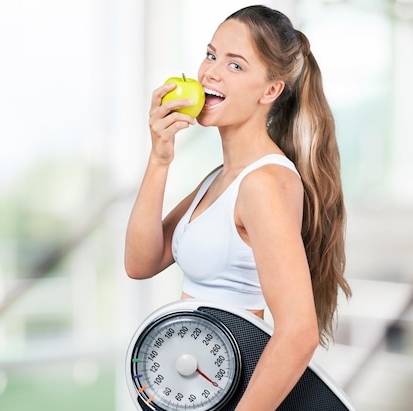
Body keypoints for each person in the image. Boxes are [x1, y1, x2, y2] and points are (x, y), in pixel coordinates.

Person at [124, 5, 352, 410]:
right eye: (211, 55)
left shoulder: (263, 184)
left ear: (270, 91)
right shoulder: (219, 178)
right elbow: (141, 262)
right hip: (197, 385)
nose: (210, 72)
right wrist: (159, 158)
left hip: (236, 390)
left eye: (235, 65)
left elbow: (299, 333)